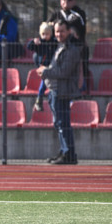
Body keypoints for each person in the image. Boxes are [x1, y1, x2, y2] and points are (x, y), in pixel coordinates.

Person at [37, 20, 83, 165]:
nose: (58, 34)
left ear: (69, 31)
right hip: (55, 90)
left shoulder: (71, 50)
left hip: (62, 91)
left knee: (63, 123)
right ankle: (65, 151)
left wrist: (45, 72)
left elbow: (63, 72)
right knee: (59, 123)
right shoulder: (60, 46)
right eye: (56, 31)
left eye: (62, 31)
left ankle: (68, 153)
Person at [26, 22, 57, 111]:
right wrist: (33, 42)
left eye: (47, 34)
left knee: (47, 83)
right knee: (45, 81)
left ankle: (40, 98)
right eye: (43, 34)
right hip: (43, 67)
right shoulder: (39, 42)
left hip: (51, 67)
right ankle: (39, 98)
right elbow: (29, 47)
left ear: (51, 34)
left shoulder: (53, 42)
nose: (45, 36)